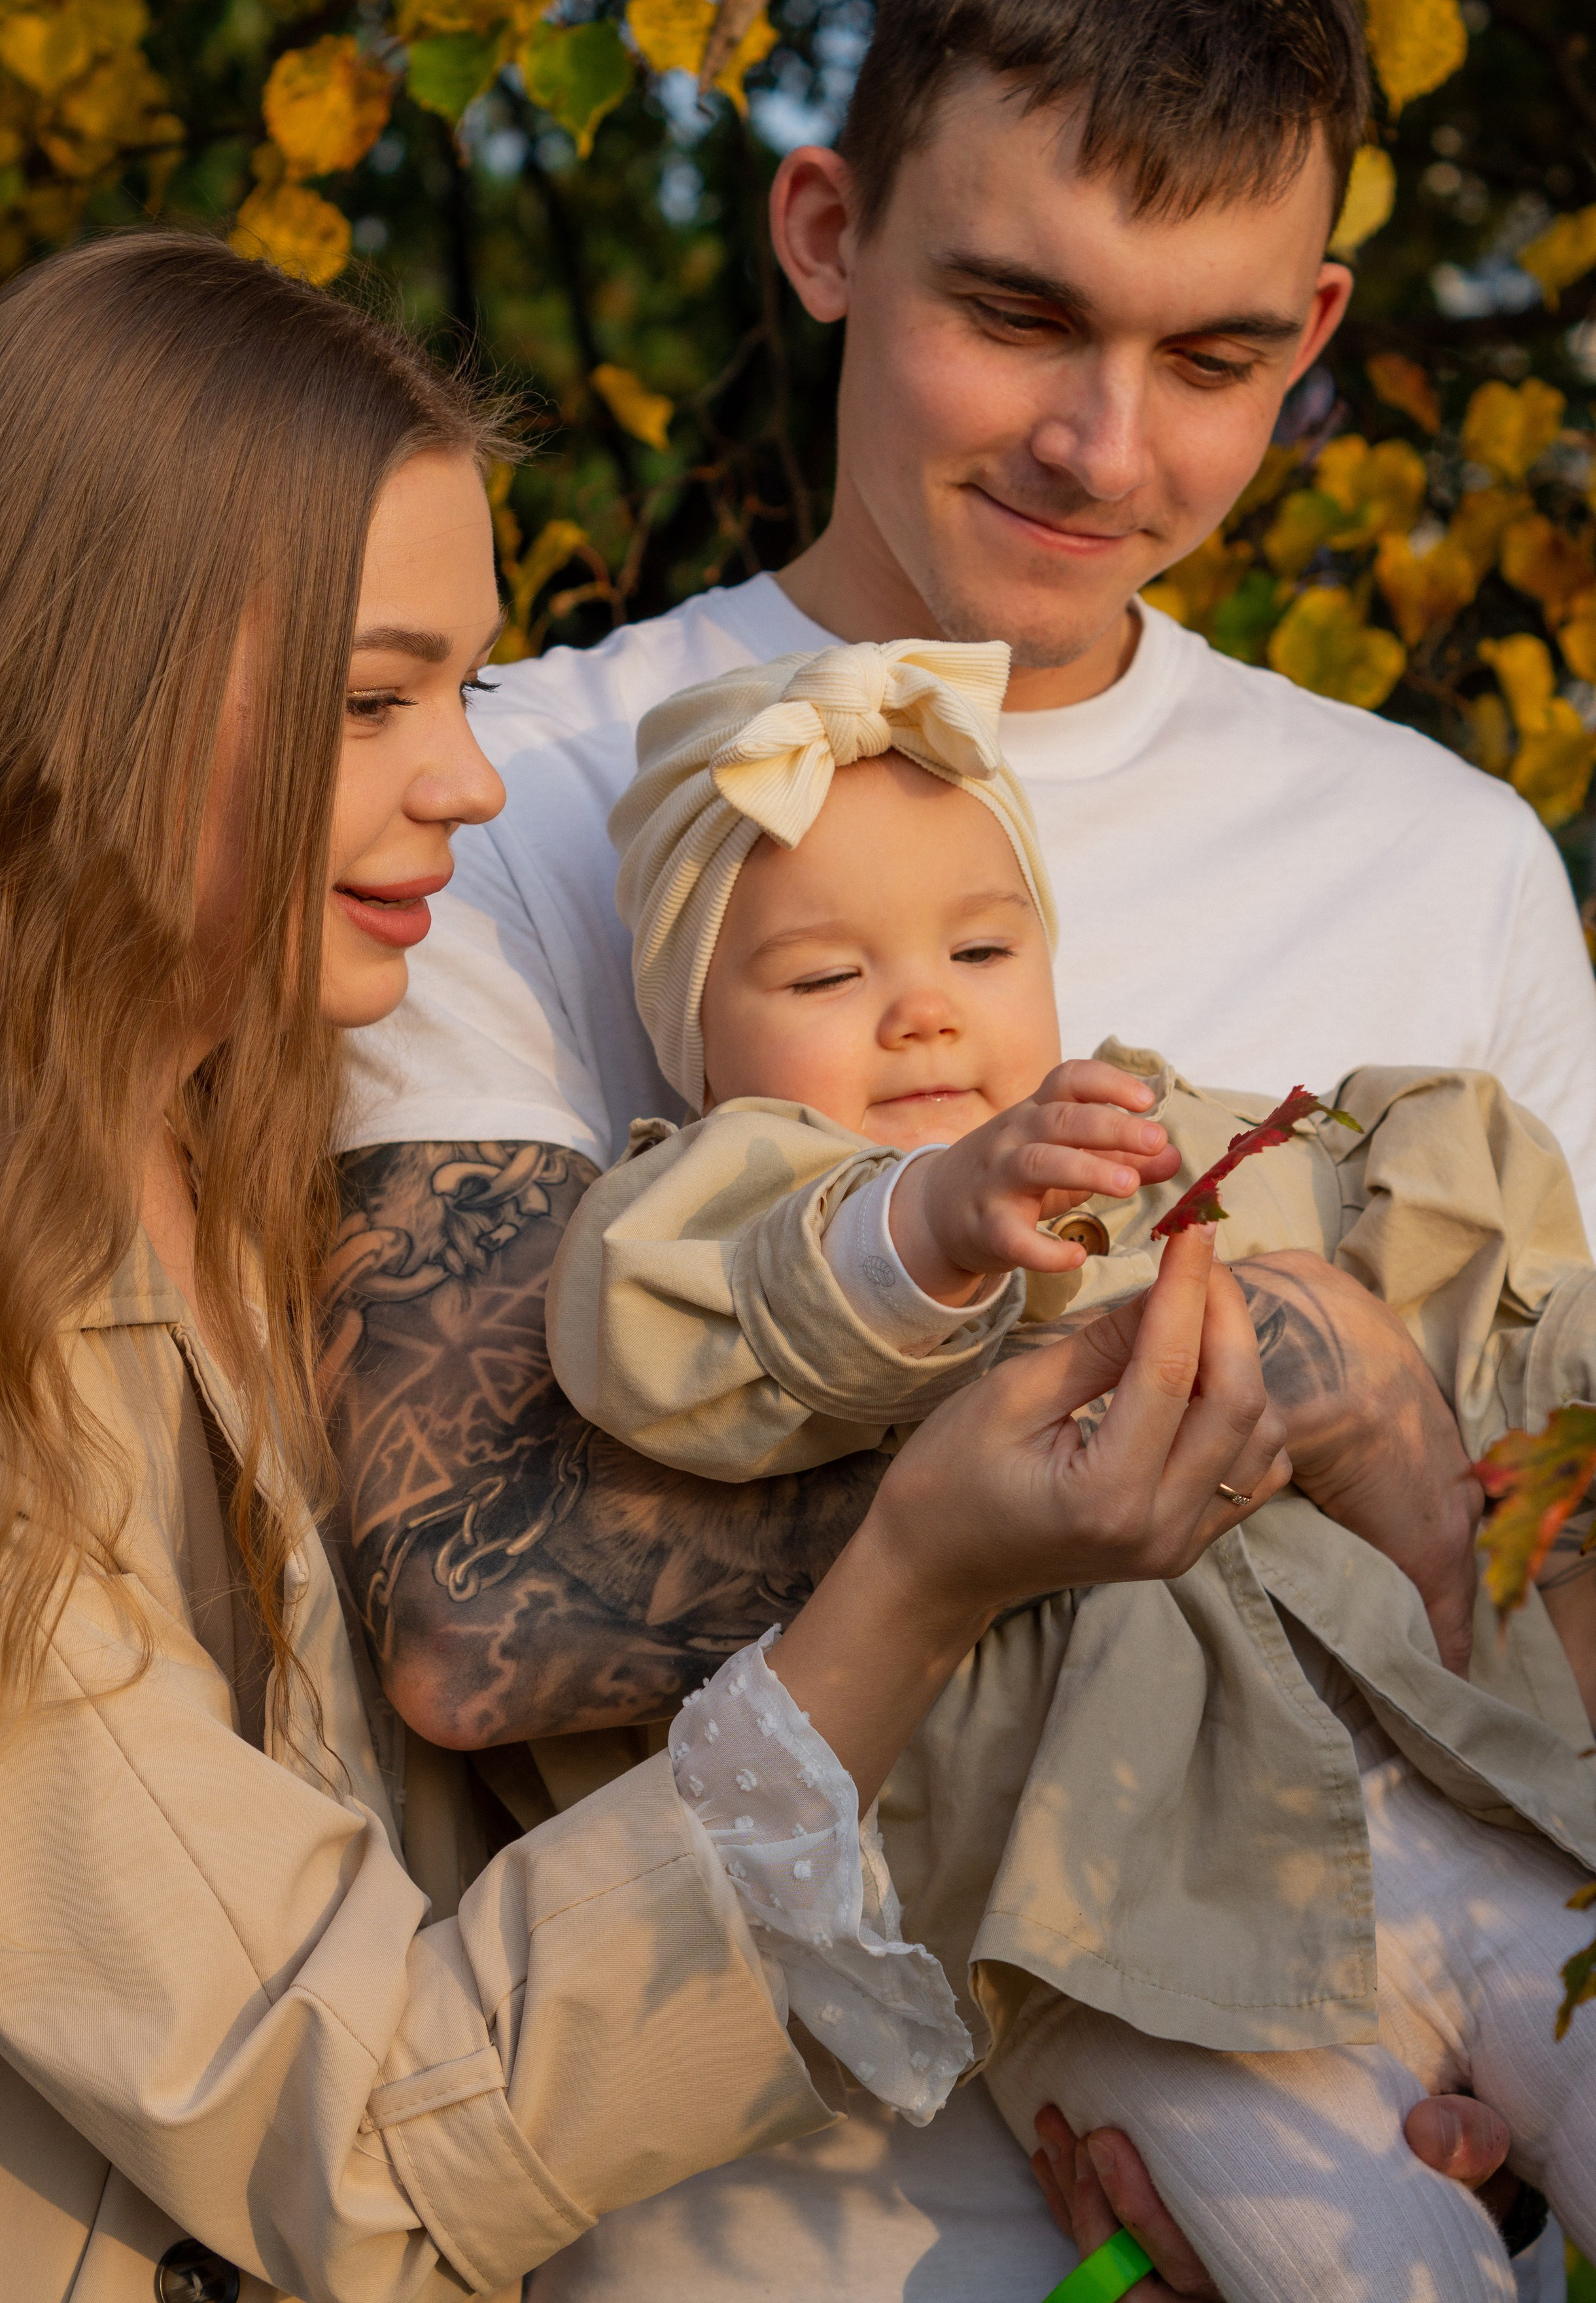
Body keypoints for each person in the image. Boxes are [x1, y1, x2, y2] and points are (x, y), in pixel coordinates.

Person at [326, 0, 1585, 2298]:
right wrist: (1279, 1404)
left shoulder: (1448, 861)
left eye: (1216, 357)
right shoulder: (515, 804)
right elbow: (470, 1597)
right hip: (756, 2228)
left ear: (1317, 325)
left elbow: (1540, 1557)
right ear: (823, 237)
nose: (1106, 450)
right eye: (1018, 314)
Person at [0, 231, 1302, 2303]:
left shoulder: (280, 1158)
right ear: (93, 683)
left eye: (465, 687)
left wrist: (1236, 2069)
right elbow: (374, 2131)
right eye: (371, 694)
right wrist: (912, 1573)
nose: (469, 782)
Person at [544, 634, 1596, 2301]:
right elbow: (687, 1329)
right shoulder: (734, 1214)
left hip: (1430, 1802)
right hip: (1117, 1946)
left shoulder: (1180, 1137)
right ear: (695, 1041)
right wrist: (935, 1218)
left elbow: (1481, 1290)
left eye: (980, 943)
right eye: (823, 981)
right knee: (1367, 2271)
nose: (923, 1007)